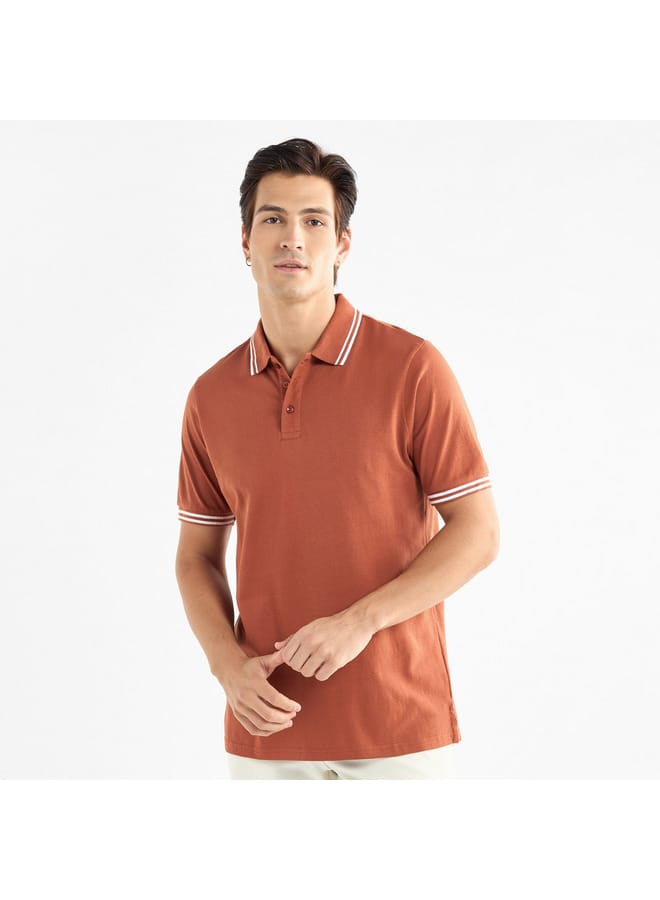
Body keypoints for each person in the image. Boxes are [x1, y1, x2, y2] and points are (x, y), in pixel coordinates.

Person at [174, 137, 499, 780]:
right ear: (246, 242)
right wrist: (227, 667)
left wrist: (359, 623)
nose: (292, 238)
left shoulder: (412, 368)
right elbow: (196, 556)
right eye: (273, 218)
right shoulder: (210, 396)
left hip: (396, 726)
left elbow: (479, 532)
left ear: (342, 244)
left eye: (314, 221)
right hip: (265, 729)